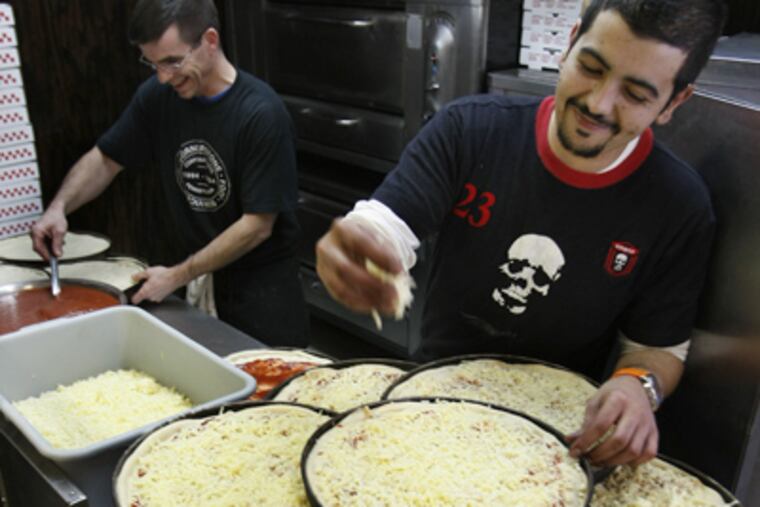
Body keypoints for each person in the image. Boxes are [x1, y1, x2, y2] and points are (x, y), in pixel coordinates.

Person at [316, 0, 727, 466]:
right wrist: (358, 245)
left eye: (635, 94)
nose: (598, 103)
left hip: (561, 438)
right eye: (591, 67)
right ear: (569, 43)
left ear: (675, 101)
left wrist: (638, 386)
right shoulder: (470, 130)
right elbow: (386, 224)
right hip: (431, 397)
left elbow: (656, 349)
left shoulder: (678, 206)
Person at [30, 0, 309, 346]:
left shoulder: (260, 114)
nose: (163, 77)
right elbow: (106, 158)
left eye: (173, 62)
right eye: (153, 64)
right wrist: (59, 207)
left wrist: (177, 275)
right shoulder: (159, 98)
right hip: (200, 279)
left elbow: (256, 226)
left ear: (209, 40)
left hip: (262, 295)